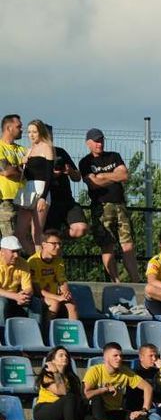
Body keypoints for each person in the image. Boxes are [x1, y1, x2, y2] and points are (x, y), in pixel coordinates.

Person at [79, 128, 141, 282]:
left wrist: (103, 176)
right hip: (101, 207)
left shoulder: (114, 156)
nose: (99, 143)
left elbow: (124, 174)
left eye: (101, 140)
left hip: (120, 205)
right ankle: (115, 282)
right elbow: (93, 183)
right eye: (96, 141)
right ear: (88, 143)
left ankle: (136, 281)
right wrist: (114, 176)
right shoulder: (85, 162)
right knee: (107, 246)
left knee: (128, 245)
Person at [83, 343, 152, 420]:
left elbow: (148, 387)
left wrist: (144, 410)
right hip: (97, 414)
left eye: (120, 355)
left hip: (115, 412)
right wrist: (105, 389)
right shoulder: (95, 371)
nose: (119, 358)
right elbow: (86, 394)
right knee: (96, 398)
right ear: (106, 357)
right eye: (115, 355)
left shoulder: (125, 372)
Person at [16, 119, 54, 252]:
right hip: (28, 190)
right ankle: (34, 260)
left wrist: (43, 197)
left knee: (36, 232)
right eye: (29, 132)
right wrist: (22, 164)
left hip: (41, 189)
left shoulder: (47, 148)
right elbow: (24, 174)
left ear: (41, 132)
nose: (31, 135)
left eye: (34, 132)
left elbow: (49, 175)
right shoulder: (29, 150)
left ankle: (41, 265)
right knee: (20, 232)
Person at [33, 346, 87, 420]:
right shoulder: (47, 375)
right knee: (69, 396)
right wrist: (55, 372)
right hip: (44, 412)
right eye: (61, 355)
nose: (65, 357)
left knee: (86, 405)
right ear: (52, 360)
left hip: (63, 414)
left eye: (66, 356)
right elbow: (62, 391)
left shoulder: (71, 378)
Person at [27, 231, 76, 320]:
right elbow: (37, 290)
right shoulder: (33, 261)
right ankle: (47, 332)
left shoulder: (59, 260)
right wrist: (58, 297)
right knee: (54, 303)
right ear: (44, 244)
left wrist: (65, 294)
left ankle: (75, 332)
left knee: (71, 304)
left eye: (59, 244)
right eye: (54, 244)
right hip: (38, 297)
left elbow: (62, 281)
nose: (58, 247)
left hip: (54, 295)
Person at [44, 137, 86, 241]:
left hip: (67, 200)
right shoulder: (34, 153)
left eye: (50, 136)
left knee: (80, 228)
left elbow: (77, 177)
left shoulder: (60, 152)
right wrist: (51, 175)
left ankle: (57, 238)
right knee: (49, 235)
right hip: (48, 202)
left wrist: (69, 171)